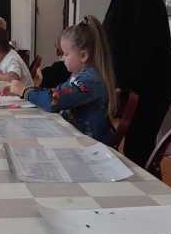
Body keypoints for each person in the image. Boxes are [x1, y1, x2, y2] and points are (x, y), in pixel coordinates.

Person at [93, 0, 171, 166]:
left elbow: (142, 50)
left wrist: (120, 85)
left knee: (139, 151)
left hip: (149, 89)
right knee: (133, 150)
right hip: (130, 86)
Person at [10, 16, 117, 146]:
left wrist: (25, 91)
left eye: (66, 54)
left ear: (83, 55)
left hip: (91, 146)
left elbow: (54, 100)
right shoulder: (78, 76)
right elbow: (58, 92)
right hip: (77, 137)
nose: (62, 59)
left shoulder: (89, 81)